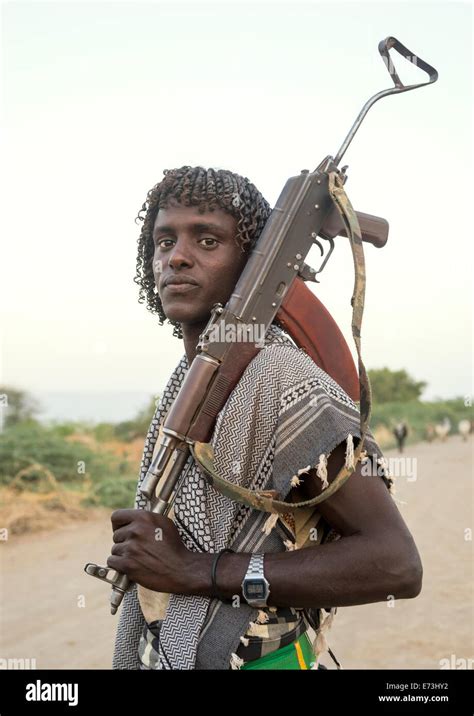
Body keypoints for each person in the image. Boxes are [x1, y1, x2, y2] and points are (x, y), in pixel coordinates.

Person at [110, 166, 422, 670]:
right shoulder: (190, 378)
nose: (177, 257)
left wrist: (196, 570)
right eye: (163, 241)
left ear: (252, 259)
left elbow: (396, 564)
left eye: (207, 240)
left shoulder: (281, 380)